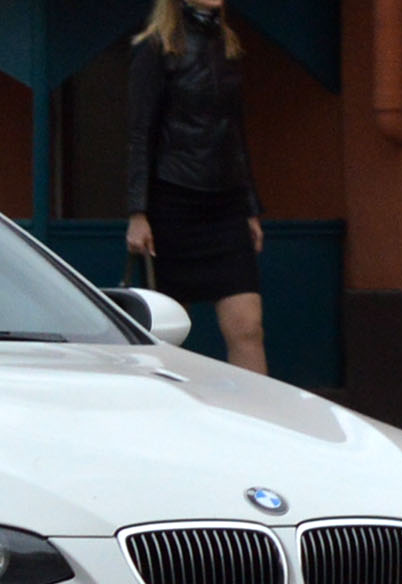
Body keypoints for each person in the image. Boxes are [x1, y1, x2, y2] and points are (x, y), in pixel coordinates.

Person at [125, 0, 267, 374]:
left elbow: (235, 132)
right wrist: (137, 213)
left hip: (227, 206)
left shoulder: (228, 43)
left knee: (248, 327)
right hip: (173, 205)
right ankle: (161, 422)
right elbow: (140, 133)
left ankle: (258, 425)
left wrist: (250, 207)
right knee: (168, 332)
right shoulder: (156, 46)